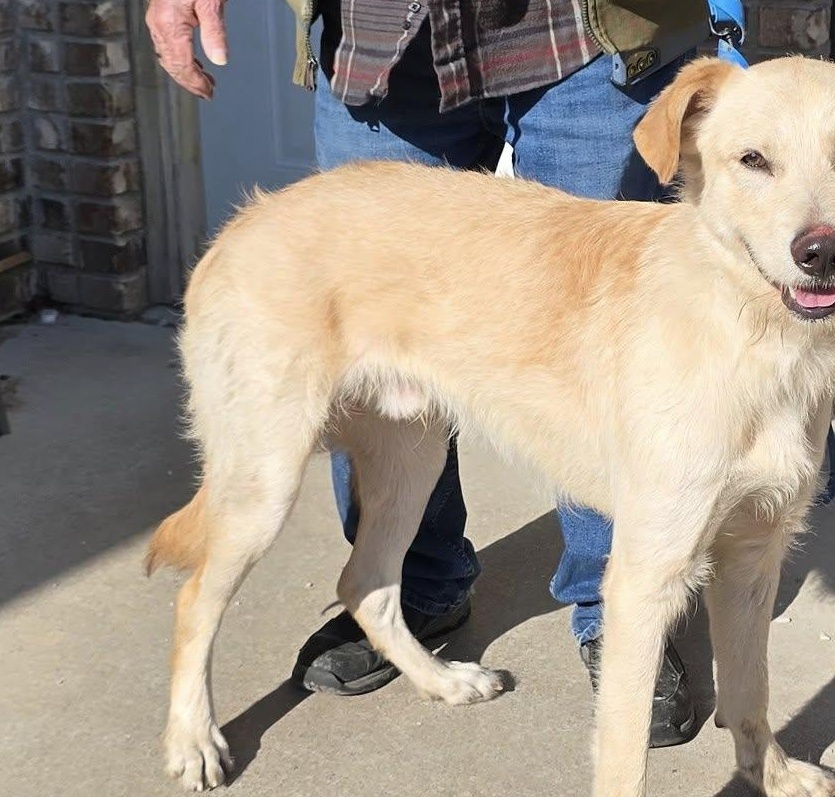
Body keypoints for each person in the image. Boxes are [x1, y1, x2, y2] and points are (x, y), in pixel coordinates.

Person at [146, 0, 722, 748]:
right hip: (379, 38)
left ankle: (621, 616)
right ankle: (372, 611)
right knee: (251, 506)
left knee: (612, 373)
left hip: (588, 32)